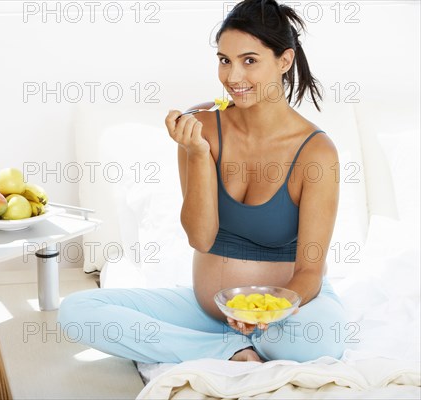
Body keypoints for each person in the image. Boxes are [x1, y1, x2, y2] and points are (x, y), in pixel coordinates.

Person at [58, 0, 347, 363]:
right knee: (78, 312)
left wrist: (264, 314)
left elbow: (309, 271)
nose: (232, 77)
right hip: (207, 312)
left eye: (250, 61)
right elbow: (201, 237)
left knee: (315, 342)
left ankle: (247, 344)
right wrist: (196, 154)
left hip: (282, 316)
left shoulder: (316, 153)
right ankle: (230, 351)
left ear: (284, 61)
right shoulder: (202, 127)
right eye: (224, 60)